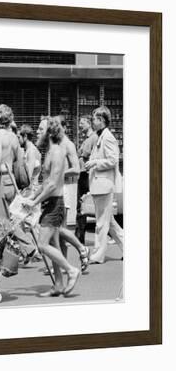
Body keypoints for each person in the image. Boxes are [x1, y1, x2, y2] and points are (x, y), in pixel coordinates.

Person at [24, 117, 81, 296]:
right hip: (50, 203)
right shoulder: (49, 151)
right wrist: (31, 197)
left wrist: (34, 202)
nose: (38, 132)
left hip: (55, 204)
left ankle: (71, 271)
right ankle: (58, 284)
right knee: (53, 245)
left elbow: (52, 184)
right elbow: (45, 182)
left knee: (42, 245)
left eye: (41, 129)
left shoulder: (57, 152)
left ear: (49, 132)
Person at [85, 106, 124, 264]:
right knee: (110, 222)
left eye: (94, 119)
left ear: (101, 120)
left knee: (101, 223)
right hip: (99, 185)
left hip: (103, 185)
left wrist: (95, 163)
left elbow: (113, 160)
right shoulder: (100, 136)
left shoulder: (107, 137)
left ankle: (98, 255)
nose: (92, 122)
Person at [56, 116, 90, 271]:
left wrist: (59, 173)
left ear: (63, 127)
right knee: (58, 229)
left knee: (58, 228)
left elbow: (76, 169)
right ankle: (63, 262)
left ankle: (81, 248)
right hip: (58, 188)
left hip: (66, 189)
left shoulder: (68, 144)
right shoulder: (57, 144)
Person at [75, 116, 98, 244]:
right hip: (83, 173)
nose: (79, 125)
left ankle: (80, 236)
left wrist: (79, 154)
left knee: (83, 205)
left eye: (82, 123)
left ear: (89, 124)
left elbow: (83, 154)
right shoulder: (87, 139)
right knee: (81, 205)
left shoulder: (92, 138)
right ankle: (79, 235)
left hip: (86, 174)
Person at [18, 124, 41, 188]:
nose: (18, 140)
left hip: (31, 189)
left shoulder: (31, 151)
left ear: (25, 136)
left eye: (19, 137)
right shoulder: (28, 150)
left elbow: (28, 176)